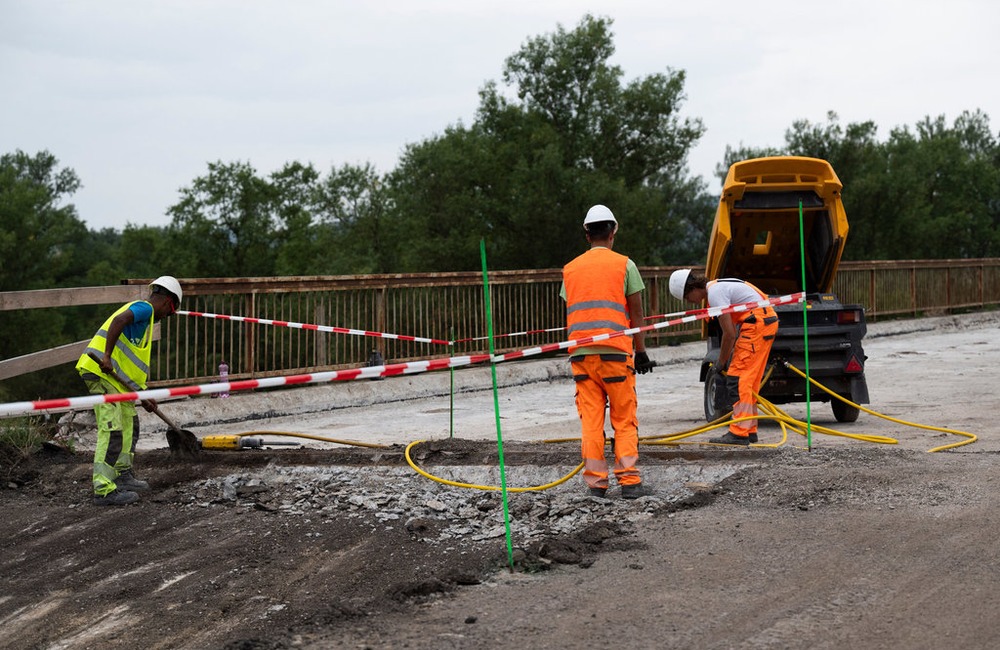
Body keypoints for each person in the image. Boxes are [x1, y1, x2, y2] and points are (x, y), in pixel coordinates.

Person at [561, 205, 656, 499]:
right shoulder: (625, 265)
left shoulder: (570, 269)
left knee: (590, 421)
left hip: (581, 356)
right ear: (613, 232)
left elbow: (571, 308)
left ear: (586, 233)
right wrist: (640, 351)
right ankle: (629, 482)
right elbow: (637, 313)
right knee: (623, 418)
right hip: (615, 355)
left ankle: (595, 485)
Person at [75, 276, 183, 505]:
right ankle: (103, 489)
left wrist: (143, 395)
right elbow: (118, 320)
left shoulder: (144, 322)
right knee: (113, 430)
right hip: (101, 373)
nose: (167, 317)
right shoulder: (144, 308)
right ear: (168, 302)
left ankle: (122, 475)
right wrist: (106, 356)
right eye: (170, 312)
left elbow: (128, 365)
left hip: (117, 382)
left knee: (130, 426)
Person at [669, 269, 778, 446]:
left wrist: (721, 362)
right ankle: (749, 429)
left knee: (738, 379)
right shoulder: (717, 286)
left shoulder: (715, 294)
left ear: (692, 288)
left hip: (756, 325)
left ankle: (739, 432)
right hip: (765, 323)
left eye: (688, 297)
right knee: (749, 381)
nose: (690, 302)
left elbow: (729, 334)